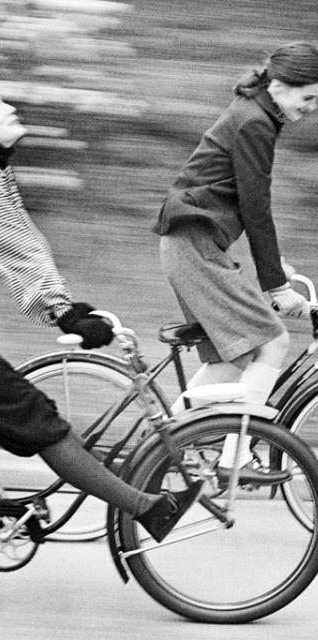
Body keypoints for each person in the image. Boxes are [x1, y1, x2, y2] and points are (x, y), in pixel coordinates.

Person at [0, 83, 203, 543]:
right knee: (41, 423)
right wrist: (63, 314)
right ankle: (146, 509)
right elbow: (13, 250)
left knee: (39, 417)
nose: (10, 109)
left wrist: (68, 307)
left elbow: (23, 241)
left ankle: (133, 487)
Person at [153, 42, 318, 484]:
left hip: (194, 242)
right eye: (308, 98)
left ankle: (161, 447)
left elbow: (241, 203)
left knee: (235, 355)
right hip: (194, 245)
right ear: (280, 87)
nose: (313, 108)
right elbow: (255, 205)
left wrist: (273, 267)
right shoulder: (255, 123)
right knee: (273, 342)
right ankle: (236, 454)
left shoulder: (255, 112)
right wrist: (275, 286)